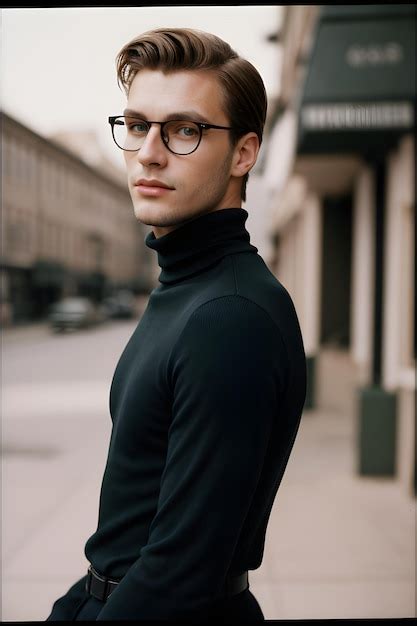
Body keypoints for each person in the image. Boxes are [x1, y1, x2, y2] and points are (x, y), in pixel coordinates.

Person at [46, 27, 306, 622]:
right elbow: (129, 526)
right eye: (138, 126)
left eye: (185, 130)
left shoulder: (227, 317)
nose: (150, 153)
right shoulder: (186, 289)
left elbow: (177, 576)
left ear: (244, 153)